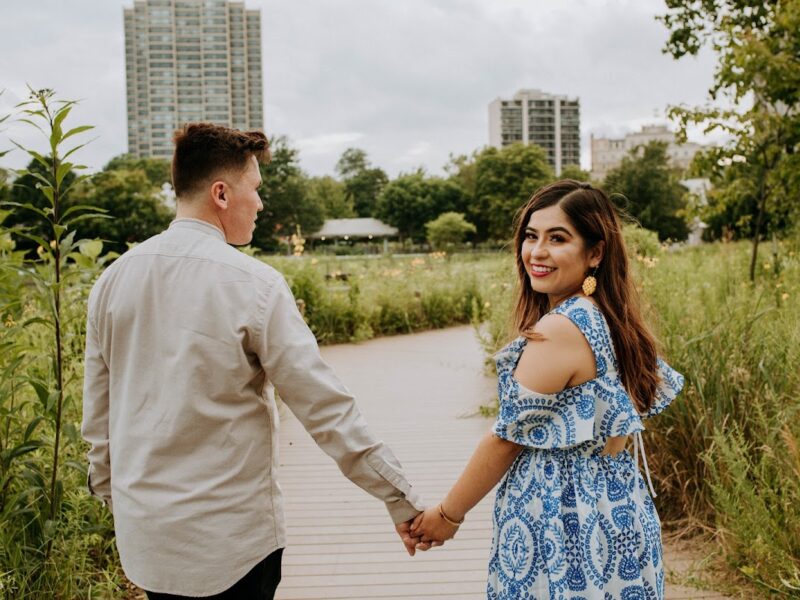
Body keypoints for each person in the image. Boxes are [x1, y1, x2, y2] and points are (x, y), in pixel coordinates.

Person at [81, 123, 427, 600]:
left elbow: (97, 419)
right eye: (256, 189)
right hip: (231, 545)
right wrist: (399, 497)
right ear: (221, 193)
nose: (261, 204)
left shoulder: (111, 282)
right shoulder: (255, 285)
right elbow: (325, 408)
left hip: (147, 543)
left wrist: (114, 499)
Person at [410, 180, 685, 599]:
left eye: (558, 238)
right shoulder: (610, 319)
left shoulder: (561, 328)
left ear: (595, 253)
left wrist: (447, 515)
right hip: (618, 509)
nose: (537, 252)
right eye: (530, 236)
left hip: (565, 519)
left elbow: (505, 440)